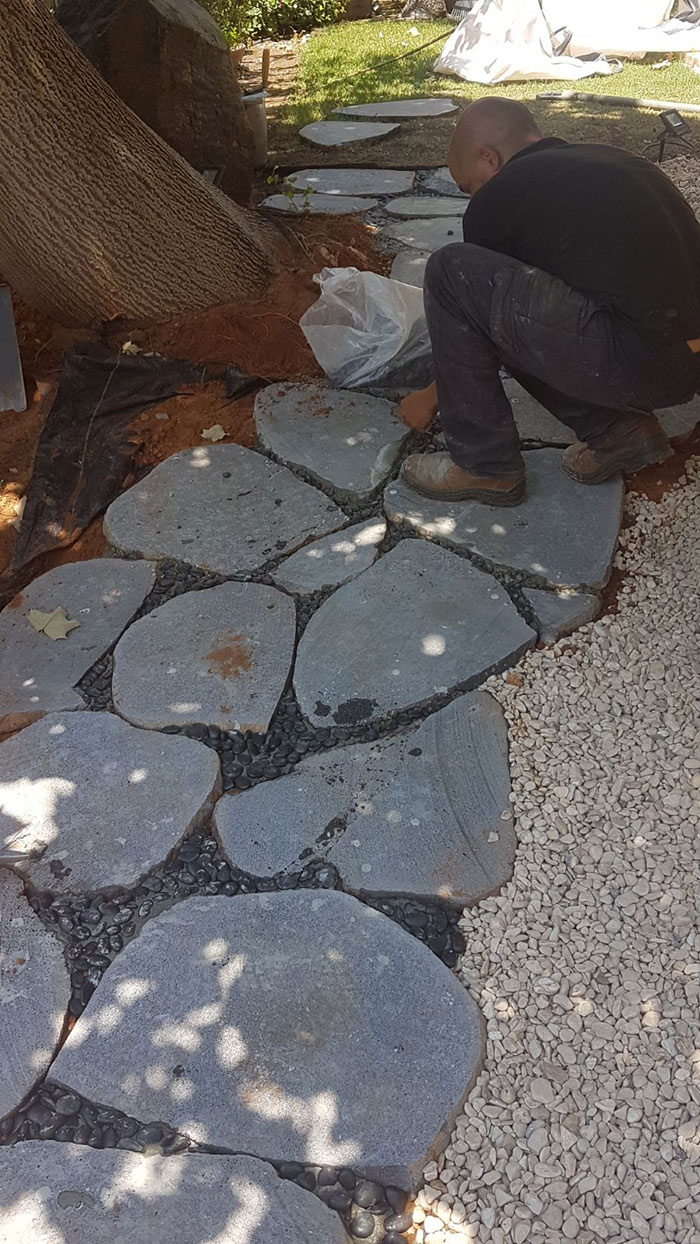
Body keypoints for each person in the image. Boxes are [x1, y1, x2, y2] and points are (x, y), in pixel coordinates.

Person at [398, 98, 700, 507]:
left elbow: (484, 321)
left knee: (451, 272)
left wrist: (430, 398)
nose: (472, 199)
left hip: (646, 365)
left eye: (468, 185)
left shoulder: (498, 197)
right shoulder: (615, 160)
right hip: (687, 360)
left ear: (489, 157)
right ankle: (619, 432)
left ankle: (484, 465)